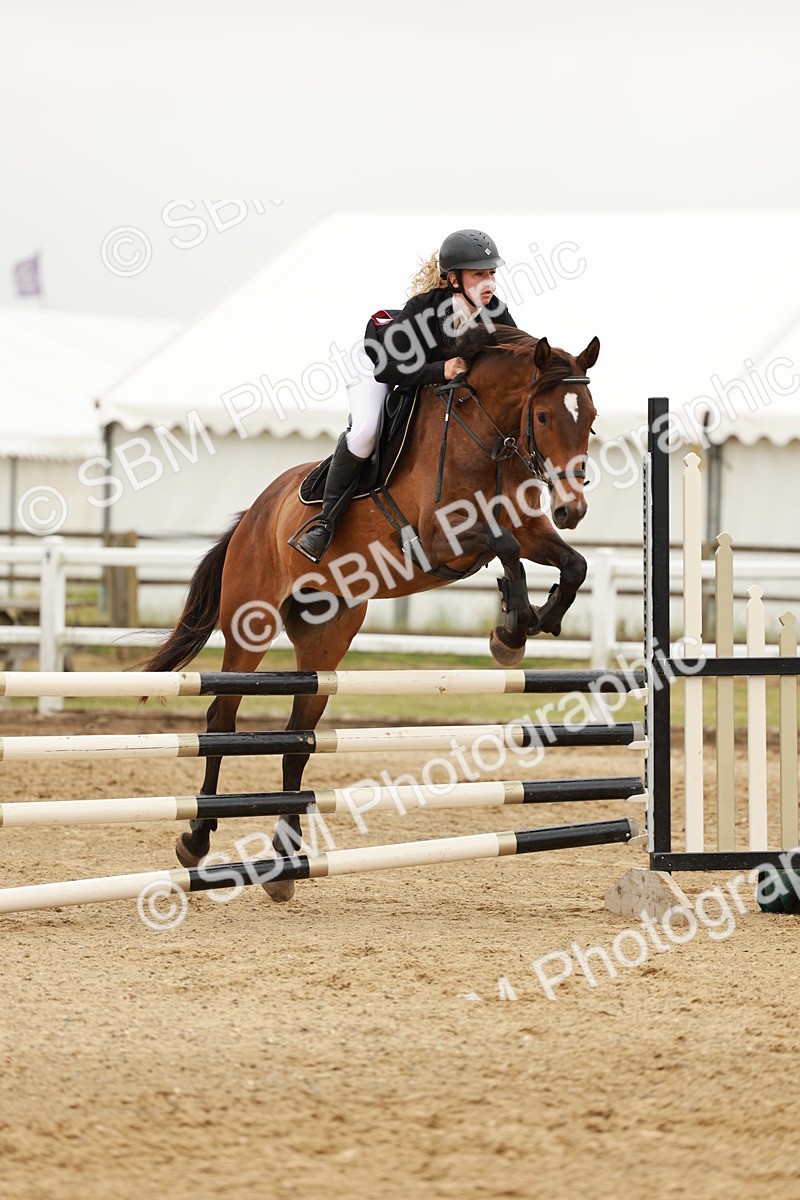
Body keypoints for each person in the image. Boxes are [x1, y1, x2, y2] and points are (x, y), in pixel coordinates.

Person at [293, 228, 517, 562]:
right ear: (454, 280)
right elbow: (387, 369)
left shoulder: (495, 312)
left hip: (422, 375)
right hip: (377, 364)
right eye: (478, 275)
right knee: (365, 432)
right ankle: (324, 524)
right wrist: (438, 371)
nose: (489, 284)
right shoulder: (423, 311)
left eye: (491, 274)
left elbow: (514, 357)